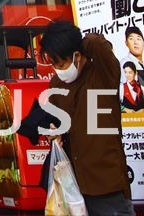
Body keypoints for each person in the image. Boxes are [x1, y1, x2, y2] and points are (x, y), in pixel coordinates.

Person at [38, 20, 132, 216]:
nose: (58, 69)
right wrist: (55, 133)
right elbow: (57, 124)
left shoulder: (102, 73)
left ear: (77, 56)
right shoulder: (56, 85)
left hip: (108, 185)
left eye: (61, 64)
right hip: (73, 187)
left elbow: (98, 44)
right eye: (54, 65)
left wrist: (79, 42)